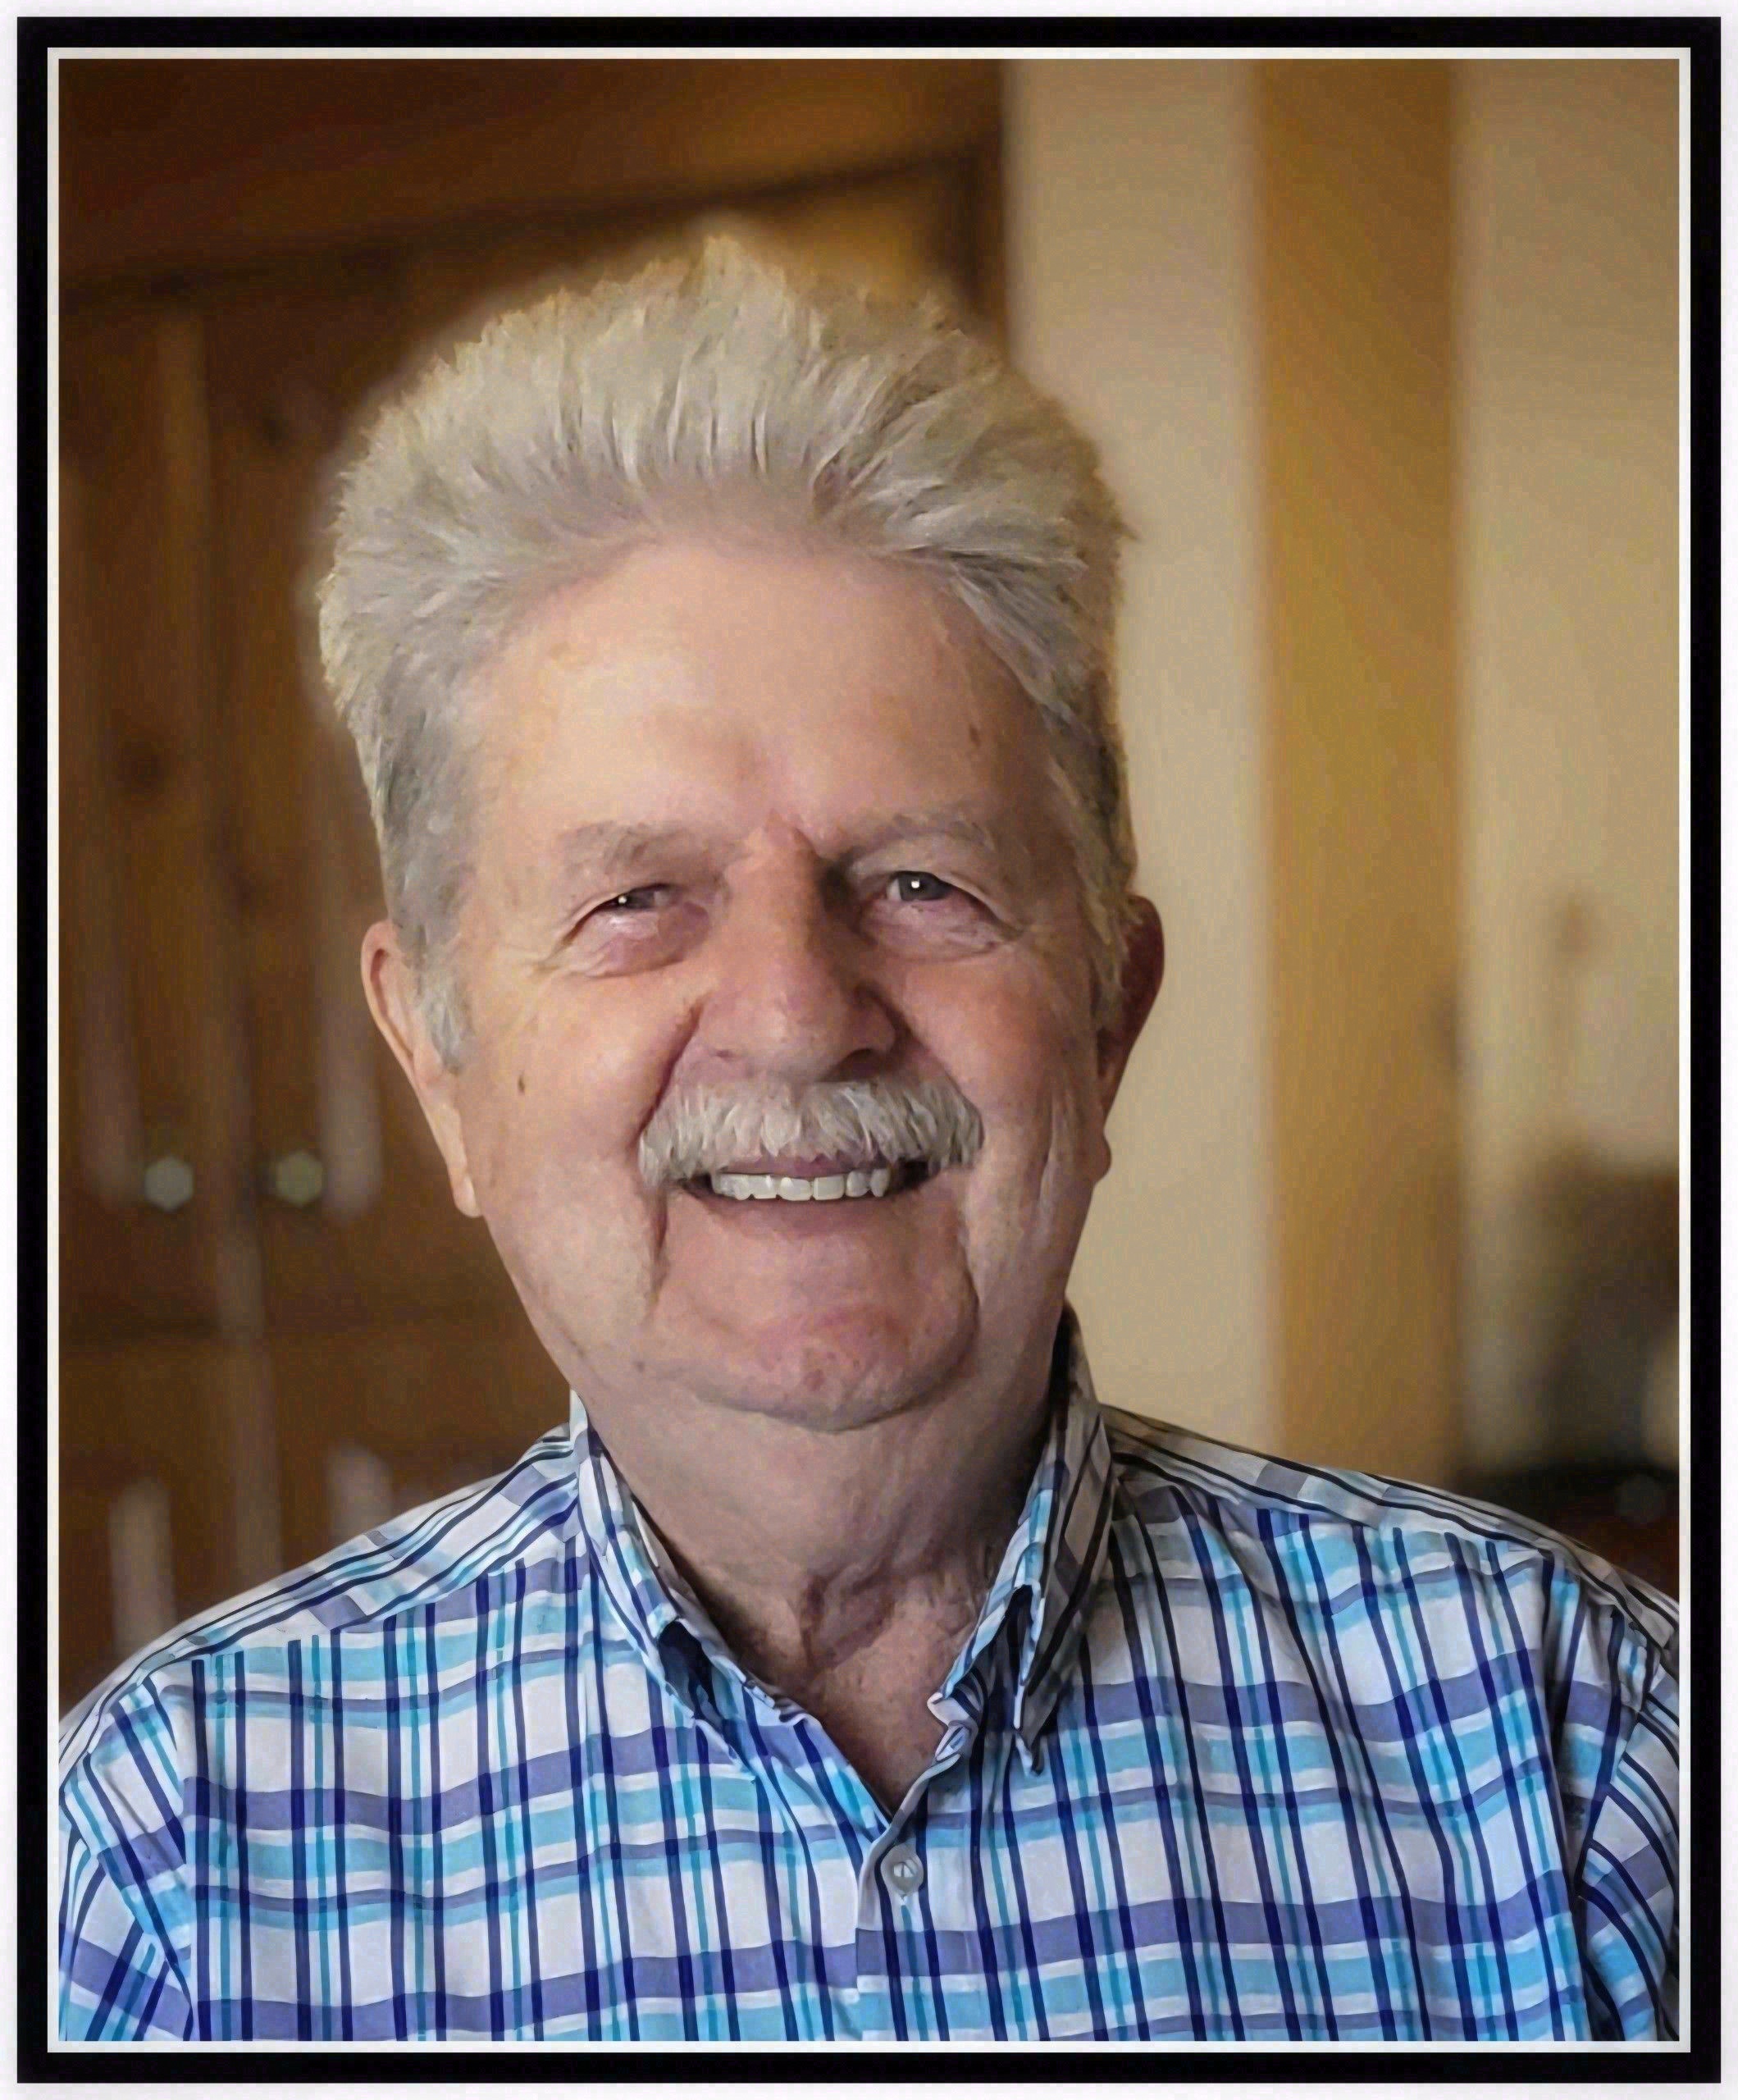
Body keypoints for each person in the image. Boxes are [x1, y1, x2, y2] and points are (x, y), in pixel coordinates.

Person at [59, 238, 1678, 2045]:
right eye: (637, 899)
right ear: (436, 1060)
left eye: (920, 882)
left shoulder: (1574, 1751)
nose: (793, 1012)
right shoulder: (174, 1862)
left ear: (1108, 1011)